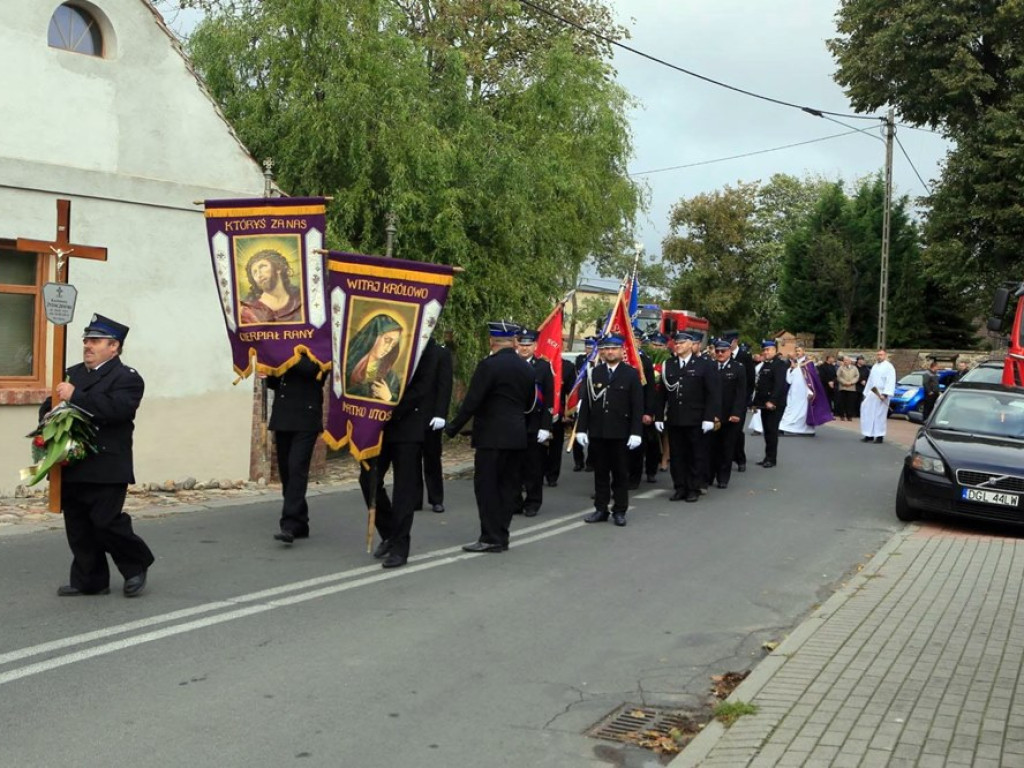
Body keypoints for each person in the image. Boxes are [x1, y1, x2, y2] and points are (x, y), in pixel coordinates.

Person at [41, 314, 154, 597]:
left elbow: (117, 410)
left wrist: (75, 396)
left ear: (113, 346)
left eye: (95, 341)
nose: (87, 346)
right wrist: (48, 421)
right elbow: (48, 405)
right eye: (86, 340)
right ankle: (90, 580)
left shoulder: (127, 378)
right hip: (73, 462)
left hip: (106, 464)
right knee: (78, 525)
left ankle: (136, 564)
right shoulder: (73, 373)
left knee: (106, 523)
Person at [446, 321, 535, 552]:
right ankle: (501, 535)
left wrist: (452, 428)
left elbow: (472, 401)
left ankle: (489, 537)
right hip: (516, 435)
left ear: (491, 342)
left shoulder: (488, 366)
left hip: (491, 437)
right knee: (508, 487)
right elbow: (529, 403)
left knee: (487, 488)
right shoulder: (526, 368)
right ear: (514, 342)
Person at [362, 338, 445, 568]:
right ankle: (389, 532)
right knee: (367, 479)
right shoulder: (388, 339)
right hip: (376, 425)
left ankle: (400, 547)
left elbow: (421, 388)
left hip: (407, 424)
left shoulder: (426, 345)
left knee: (404, 488)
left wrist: (391, 403)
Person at [576, 336, 644, 526]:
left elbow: (637, 406)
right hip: (598, 432)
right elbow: (587, 405)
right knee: (600, 474)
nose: (609, 352)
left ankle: (620, 510)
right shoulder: (594, 373)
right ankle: (601, 509)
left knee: (621, 474)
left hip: (621, 433)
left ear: (622, 351)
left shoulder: (630, 374)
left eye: (613, 348)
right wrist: (582, 429)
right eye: (605, 349)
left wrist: (636, 432)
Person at [654, 330, 721, 503]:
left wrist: (709, 417)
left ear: (691, 345)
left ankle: (693, 487)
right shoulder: (669, 364)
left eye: (682, 343)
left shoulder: (704, 364)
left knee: (695, 454)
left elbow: (712, 393)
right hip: (675, 417)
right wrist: (659, 416)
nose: (678, 346)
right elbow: (661, 394)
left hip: (696, 418)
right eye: (676, 343)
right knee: (677, 455)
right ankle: (680, 487)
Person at [268, 353, 327, 544]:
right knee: (286, 471)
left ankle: (290, 523)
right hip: (283, 415)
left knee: (296, 467)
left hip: (306, 416)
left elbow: (311, 370)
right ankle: (301, 522)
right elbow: (273, 382)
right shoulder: (283, 350)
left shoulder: (319, 348)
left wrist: (284, 352)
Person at [514, 328, 554, 517]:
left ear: (535, 346)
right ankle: (515, 501)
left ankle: (533, 502)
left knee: (533, 468)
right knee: (513, 467)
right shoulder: (510, 365)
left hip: (535, 424)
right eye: (521, 345)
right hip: (513, 423)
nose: (524, 348)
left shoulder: (543, 367)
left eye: (528, 345)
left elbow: (548, 401)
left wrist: (546, 426)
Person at [417, 338, 453, 514]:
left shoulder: (441, 353)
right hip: (410, 415)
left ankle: (436, 499)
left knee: (432, 459)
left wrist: (441, 414)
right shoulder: (408, 350)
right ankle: (413, 499)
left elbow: (445, 385)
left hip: (431, 416)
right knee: (410, 460)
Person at [710, 338, 748, 489]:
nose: (720, 354)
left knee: (726, 448)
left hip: (729, 414)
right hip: (712, 415)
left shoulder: (738, 368)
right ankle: (709, 476)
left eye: (723, 351)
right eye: (717, 351)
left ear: (730, 352)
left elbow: (741, 393)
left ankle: (723, 478)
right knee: (711, 447)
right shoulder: (710, 366)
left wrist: (736, 412)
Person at [346, 313, 403, 402]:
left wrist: (389, 398)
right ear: (373, 336)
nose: (388, 349)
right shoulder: (349, 361)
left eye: (393, 345)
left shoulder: (390, 376)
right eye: (387, 340)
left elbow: (399, 402)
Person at [750, 339, 789, 468]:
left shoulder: (779, 364)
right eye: (764, 350)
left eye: (768, 350)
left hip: (774, 404)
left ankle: (772, 459)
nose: (766, 352)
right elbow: (761, 386)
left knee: (772, 431)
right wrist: (756, 403)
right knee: (767, 431)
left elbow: (779, 385)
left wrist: (772, 400)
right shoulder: (766, 364)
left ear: (775, 350)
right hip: (764, 404)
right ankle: (767, 457)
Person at [628, 328, 657, 489]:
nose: (633, 341)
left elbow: (650, 389)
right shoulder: (622, 360)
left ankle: (634, 478)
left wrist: (648, 412)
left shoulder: (644, 361)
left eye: (636, 339)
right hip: (621, 411)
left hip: (639, 409)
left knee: (637, 447)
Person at [240, 249, 303, 324]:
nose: (259, 275)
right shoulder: (249, 311)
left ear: (278, 268)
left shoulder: (300, 298)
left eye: (262, 266)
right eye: (254, 272)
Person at [780, 346, 833, 435]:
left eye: (799, 351)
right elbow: (789, 379)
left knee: (803, 411)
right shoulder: (795, 363)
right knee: (790, 409)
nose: (797, 352)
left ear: (804, 351)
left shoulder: (808, 363)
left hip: (804, 392)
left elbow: (812, 379)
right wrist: (791, 368)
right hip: (793, 392)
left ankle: (806, 430)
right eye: (796, 351)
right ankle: (786, 427)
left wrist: (810, 391)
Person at [544, 346, 575, 487]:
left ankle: (552, 476)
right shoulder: (538, 365)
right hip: (539, 412)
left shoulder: (567, 367)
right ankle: (533, 475)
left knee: (555, 447)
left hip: (558, 413)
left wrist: (568, 413)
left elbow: (571, 392)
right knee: (536, 449)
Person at [723, 330, 754, 472]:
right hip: (723, 401)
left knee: (736, 432)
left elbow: (750, 381)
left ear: (735, 341)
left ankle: (740, 459)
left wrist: (745, 401)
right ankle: (726, 459)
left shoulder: (744, 356)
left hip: (739, 401)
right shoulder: (721, 354)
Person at [572, 336, 598, 472]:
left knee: (594, 434)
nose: (589, 349)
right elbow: (578, 381)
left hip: (595, 399)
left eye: (591, 347)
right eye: (587, 347)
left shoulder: (600, 361)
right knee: (578, 432)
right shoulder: (581, 359)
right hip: (581, 398)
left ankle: (591, 462)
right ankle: (578, 461)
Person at [861, 349, 897, 442]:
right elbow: (870, 380)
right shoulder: (874, 366)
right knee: (869, 413)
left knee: (879, 415)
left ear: (885, 356)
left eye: (881, 355)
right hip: (873, 392)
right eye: (878, 355)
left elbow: (890, 381)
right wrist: (866, 392)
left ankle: (879, 435)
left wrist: (885, 394)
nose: (879, 356)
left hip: (882, 393)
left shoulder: (889, 367)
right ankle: (869, 434)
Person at [836, 356, 861, 421]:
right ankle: (842, 415)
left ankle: (849, 416)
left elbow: (857, 376)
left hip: (852, 387)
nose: (845, 361)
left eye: (847, 360)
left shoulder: (854, 368)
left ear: (850, 361)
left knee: (850, 403)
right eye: (844, 360)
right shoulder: (840, 368)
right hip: (843, 387)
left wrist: (851, 382)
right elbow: (838, 376)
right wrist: (844, 382)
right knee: (842, 402)